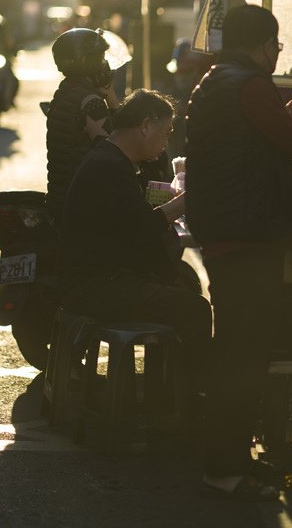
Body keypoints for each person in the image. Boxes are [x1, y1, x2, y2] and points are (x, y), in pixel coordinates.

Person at [185, 4, 292, 501]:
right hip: (248, 237)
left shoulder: (214, 80)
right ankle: (224, 468)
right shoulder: (250, 84)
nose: (277, 54)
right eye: (276, 46)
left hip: (226, 234)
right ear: (264, 43)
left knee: (236, 350)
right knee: (244, 355)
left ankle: (230, 460)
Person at [57, 89, 211, 409]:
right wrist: (184, 203)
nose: (167, 141)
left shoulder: (111, 158)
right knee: (195, 309)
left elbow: (131, 225)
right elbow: (143, 230)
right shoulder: (109, 165)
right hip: (95, 285)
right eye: (166, 132)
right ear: (145, 126)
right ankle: (192, 399)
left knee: (178, 289)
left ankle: (165, 393)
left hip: (100, 277)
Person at [46, 28, 120, 223]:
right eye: (101, 58)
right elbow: (114, 148)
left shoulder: (65, 92)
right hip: (84, 204)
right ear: (89, 62)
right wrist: (111, 97)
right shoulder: (91, 102)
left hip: (61, 196)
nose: (105, 63)